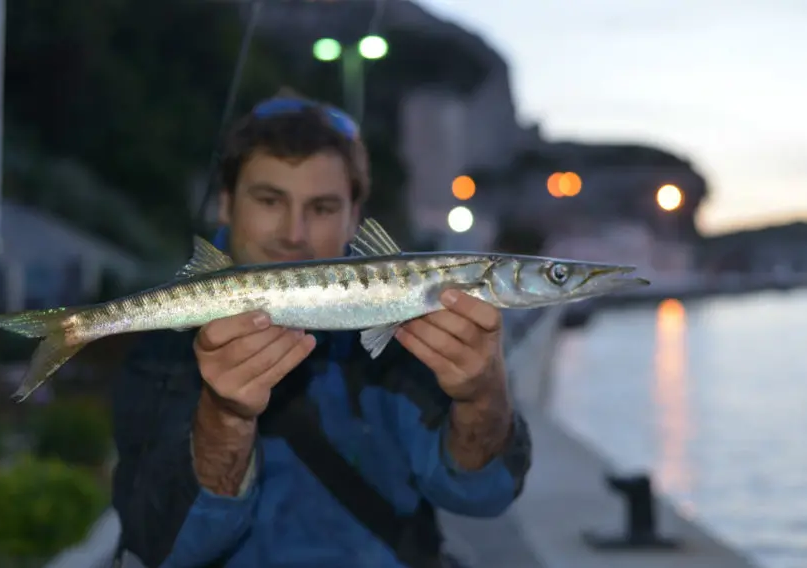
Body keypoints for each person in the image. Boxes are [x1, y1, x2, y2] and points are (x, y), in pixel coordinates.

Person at [110, 90, 533, 568]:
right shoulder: (163, 351)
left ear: (355, 217)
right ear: (225, 204)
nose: (294, 233)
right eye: (270, 200)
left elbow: (481, 497)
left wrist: (482, 397)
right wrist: (224, 418)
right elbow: (163, 547)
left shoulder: (407, 331)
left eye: (323, 208)